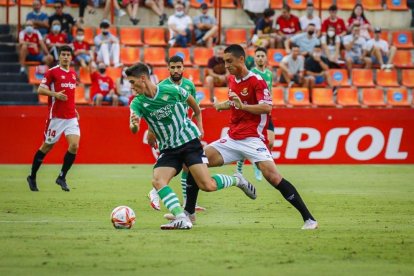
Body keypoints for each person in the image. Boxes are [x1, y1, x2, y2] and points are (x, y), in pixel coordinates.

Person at [175, 45, 318, 230]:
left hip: (253, 138)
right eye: (225, 61)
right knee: (193, 162)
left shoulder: (257, 81)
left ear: (241, 59)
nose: (226, 65)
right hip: (233, 137)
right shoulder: (233, 79)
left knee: (273, 177)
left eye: (229, 61)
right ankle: (189, 213)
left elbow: (267, 107)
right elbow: (236, 104)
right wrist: (223, 105)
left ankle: (309, 219)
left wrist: (242, 107)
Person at [127, 62, 257, 230]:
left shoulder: (170, 90)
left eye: (132, 82)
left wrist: (198, 123)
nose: (130, 86)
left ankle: (237, 180)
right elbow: (134, 128)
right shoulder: (137, 103)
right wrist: (135, 125)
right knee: (158, 181)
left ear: (143, 78)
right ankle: (181, 217)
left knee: (207, 185)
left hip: (189, 142)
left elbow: (193, 104)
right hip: (169, 149)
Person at [147, 56, 206, 211]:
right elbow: (152, 111)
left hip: (183, 131)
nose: (175, 70)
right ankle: (155, 191)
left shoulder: (189, 85)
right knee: (173, 164)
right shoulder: (161, 86)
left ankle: (187, 202)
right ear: (168, 68)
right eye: (172, 67)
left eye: (178, 67)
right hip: (167, 132)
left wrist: (199, 127)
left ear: (183, 68)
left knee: (187, 166)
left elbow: (195, 108)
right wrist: (150, 132)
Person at [26, 45, 80, 192]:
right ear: (59, 56)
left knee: (74, 146)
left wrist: (74, 110)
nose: (66, 57)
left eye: (68, 55)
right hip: (56, 118)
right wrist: (55, 95)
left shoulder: (73, 74)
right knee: (46, 146)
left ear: (71, 57)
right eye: (63, 54)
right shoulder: (52, 72)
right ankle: (32, 176)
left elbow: (70, 96)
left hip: (70, 117)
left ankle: (61, 177)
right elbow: (40, 89)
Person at [236, 47, 275, 182]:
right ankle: (240, 168)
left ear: (266, 58)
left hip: (265, 114)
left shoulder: (269, 74)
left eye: (262, 56)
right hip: (254, 115)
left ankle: (257, 167)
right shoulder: (252, 73)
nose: (260, 58)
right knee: (245, 143)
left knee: (270, 142)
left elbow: (269, 91)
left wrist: (270, 103)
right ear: (254, 58)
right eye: (257, 56)